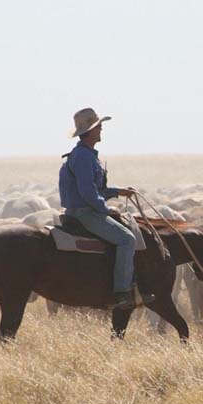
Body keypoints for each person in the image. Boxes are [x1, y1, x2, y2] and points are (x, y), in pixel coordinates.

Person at [59, 107, 155, 309]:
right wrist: (105, 209)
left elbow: (96, 188)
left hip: (84, 210)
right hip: (86, 213)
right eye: (99, 126)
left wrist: (118, 191)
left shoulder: (85, 155)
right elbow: (87, 192)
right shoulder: (84, 157)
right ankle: (122, 292)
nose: (102, 129)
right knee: (127, 239)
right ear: (91, 130)